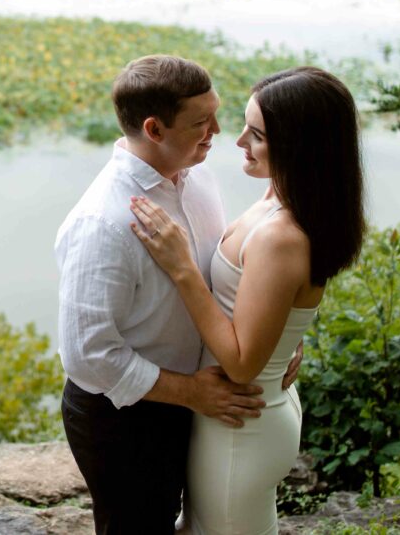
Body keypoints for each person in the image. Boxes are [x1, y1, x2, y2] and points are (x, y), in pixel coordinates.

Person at [55, 55, 300, 535]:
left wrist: (280, 336)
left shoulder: (199, 178)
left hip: (197, 400)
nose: (219, 130)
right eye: (200, 122)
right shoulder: (102, 221)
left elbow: (225, 282)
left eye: (215, 113)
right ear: (154, 128)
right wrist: (192, 393)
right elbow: (88, 356)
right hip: (126, 417)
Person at [128, 66, 364, 535]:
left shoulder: (282, 236)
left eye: (255, 134)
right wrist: (284, 343)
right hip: (249, 414)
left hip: (241, 427)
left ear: (299, 146)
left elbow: (240, 364)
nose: (237, 141)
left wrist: (182, 267)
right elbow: (271, 307)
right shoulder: (282, 202)